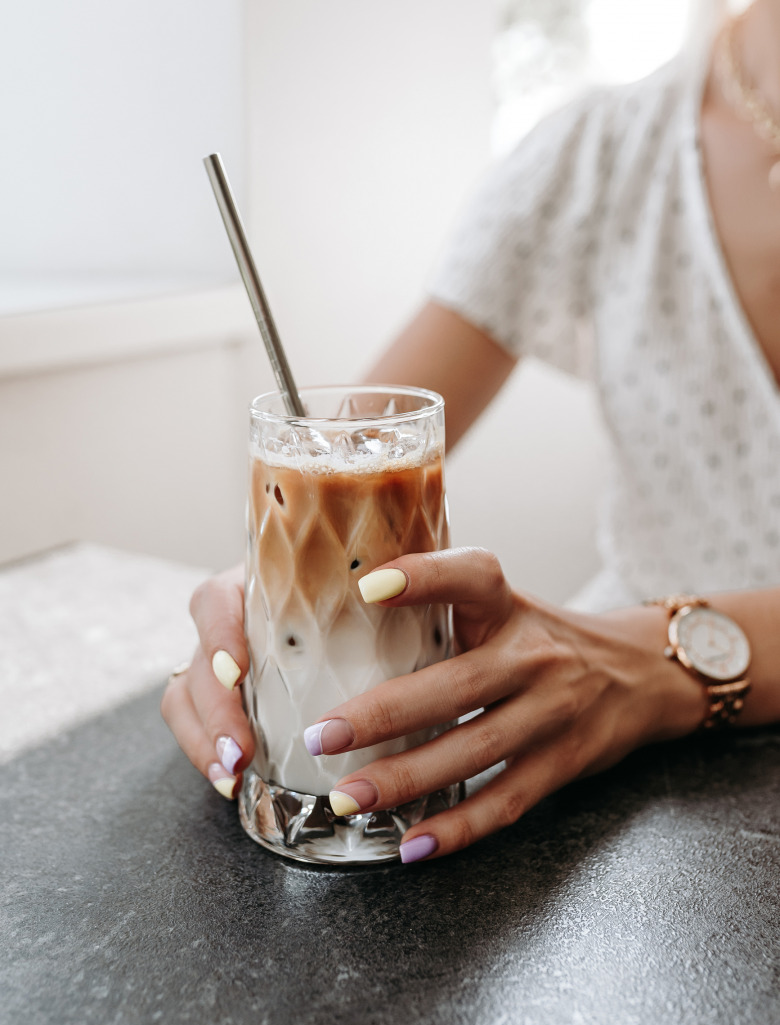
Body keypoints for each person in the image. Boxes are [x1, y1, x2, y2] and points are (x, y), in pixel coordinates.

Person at [161, 0, 780, 863]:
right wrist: (270, 613)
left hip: (618, 688)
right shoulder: (597, 152)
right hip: (604, 762)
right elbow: (346, 455)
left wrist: (661, 659)